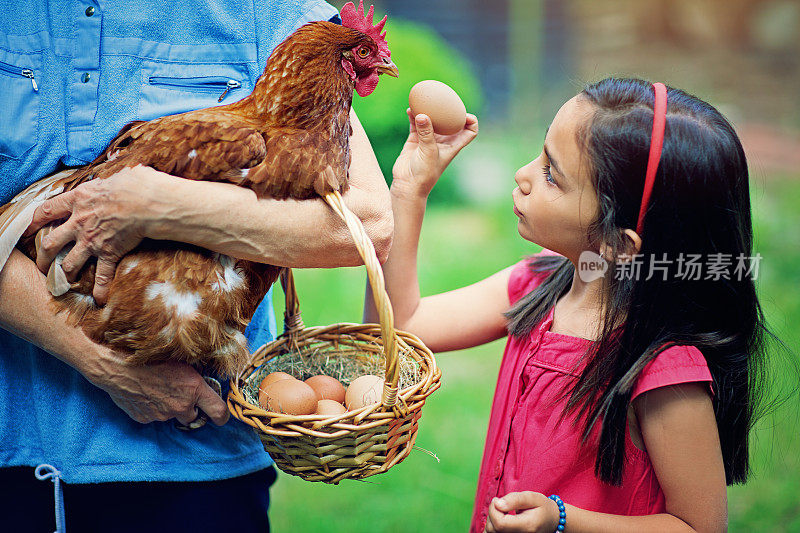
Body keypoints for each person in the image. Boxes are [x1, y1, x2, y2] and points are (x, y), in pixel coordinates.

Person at [0, 1, 391, 532]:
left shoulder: (264, 12)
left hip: (198, 454)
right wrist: (104, 363)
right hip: (15, 448)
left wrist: (156, 206)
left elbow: (367, 222)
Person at [368, 77, 771, 532]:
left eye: (551, 175)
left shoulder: (663, 371)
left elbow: (700, 527)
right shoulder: (540, 283)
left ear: (619, 244)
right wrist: (408, 190)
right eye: (541, 153)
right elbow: (401, 326)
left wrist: (563, 520)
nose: (522, 175)